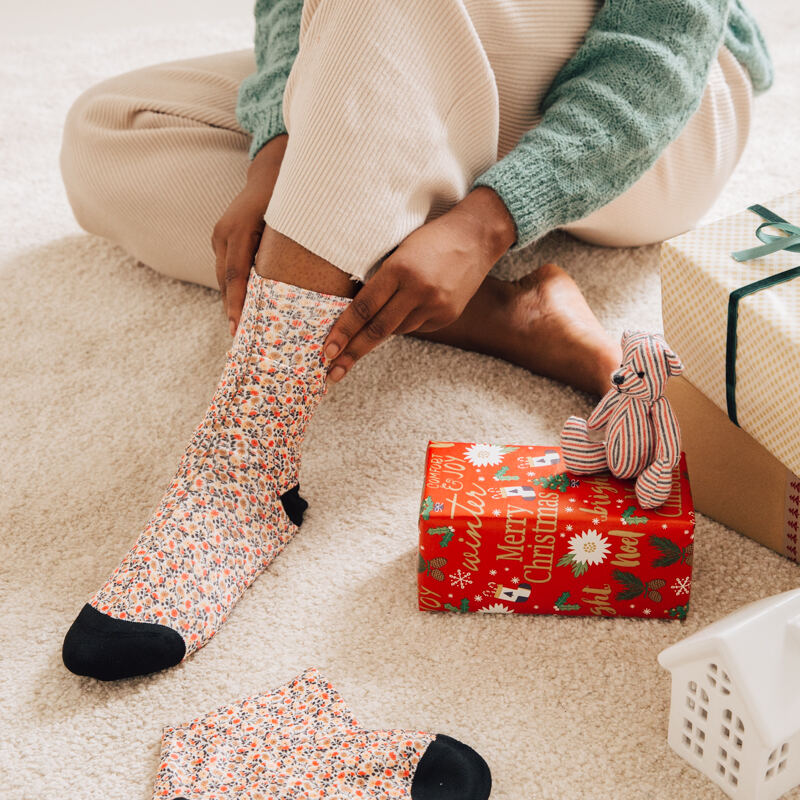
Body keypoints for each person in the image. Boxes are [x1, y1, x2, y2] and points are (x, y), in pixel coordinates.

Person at [58, 0, 771, 681]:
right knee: (113, 130)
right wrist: (274, 146)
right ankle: (508, 316)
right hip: (419, 57)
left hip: (648, 113)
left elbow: (658, 51)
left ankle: (243, 467)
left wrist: (488, 223)